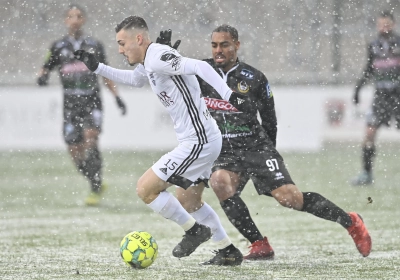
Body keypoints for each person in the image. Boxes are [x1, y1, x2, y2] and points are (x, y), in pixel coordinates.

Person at [158, 25, 372, 260]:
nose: (218, 50)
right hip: (224, 151)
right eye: (214, 45)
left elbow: (269, 119)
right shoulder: (201, 71)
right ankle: (259, 244)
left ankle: (351, 222)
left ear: (236, 45)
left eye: (225, 45)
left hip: (256, 147)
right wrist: (164, 53)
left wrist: (268, 154)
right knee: (219, 182)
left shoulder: (255, 78)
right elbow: (171, 75)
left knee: (290, 198)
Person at [73, 16, 247, 266]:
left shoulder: (156, 55)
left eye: (122, 43)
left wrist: (230, 95)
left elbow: (201, 67)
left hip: (199, 141)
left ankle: (194, 231)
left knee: (146, 189)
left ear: (139, 39)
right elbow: (136, 79)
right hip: (205, 138)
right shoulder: (150, 60)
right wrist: (97, 67)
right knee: (189, 201)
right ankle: (228, 250)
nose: (120, 50)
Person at [36, 4, 127, 206]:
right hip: (70, 104)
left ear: (83, 20)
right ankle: (95, 180)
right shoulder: (57, 46)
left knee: (91, 137)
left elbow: (105, 73)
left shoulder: (94, 45)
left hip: (92, 100)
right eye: (71, 16)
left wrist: (117, 97)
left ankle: (95, 188)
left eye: (78, 16)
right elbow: (45, 67)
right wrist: (42, 77)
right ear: (66, 21)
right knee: (74, 150)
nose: (75, 20)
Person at [351, 10, 400, 186]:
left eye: (386, 24)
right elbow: (369, 69)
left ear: (393, 25)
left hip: (398, 95)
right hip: (381, 96)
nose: (383, 28)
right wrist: (358, 88)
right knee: (369, 133)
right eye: (380, 24)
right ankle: (366, 174)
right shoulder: (373, 45)